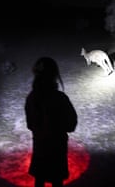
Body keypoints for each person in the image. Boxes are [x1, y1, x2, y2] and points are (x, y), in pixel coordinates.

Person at [25, 57, 78, 187]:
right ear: (54, 75)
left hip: (40, 148)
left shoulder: (32, 98)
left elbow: (30, 124)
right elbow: (71, 124)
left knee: (40, 180)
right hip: (57, 150)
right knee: (56, 181)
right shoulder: (60, 98)